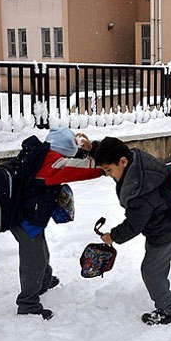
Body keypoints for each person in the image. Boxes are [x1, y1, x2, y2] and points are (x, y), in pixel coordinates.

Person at [93, 137, 171, 326]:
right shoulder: (136, 160)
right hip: (166, 223)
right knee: (163, 253)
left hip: (162, 231)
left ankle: (168, 310)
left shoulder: (141, 191)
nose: (107, 175)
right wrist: (92, 148)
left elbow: (133, 225)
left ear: (122, 161)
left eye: (109, 170)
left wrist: (112, 236)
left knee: (151, 271)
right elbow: (111, 149)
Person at [13, 128, 103, 320]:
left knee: (39, 249)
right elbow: (88, 169)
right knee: (33, 258)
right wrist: (105, 164)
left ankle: (45, 281)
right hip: (25, 219)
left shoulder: (40, 154)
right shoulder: (53, 163)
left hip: (26, 214)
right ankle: (28, 303)